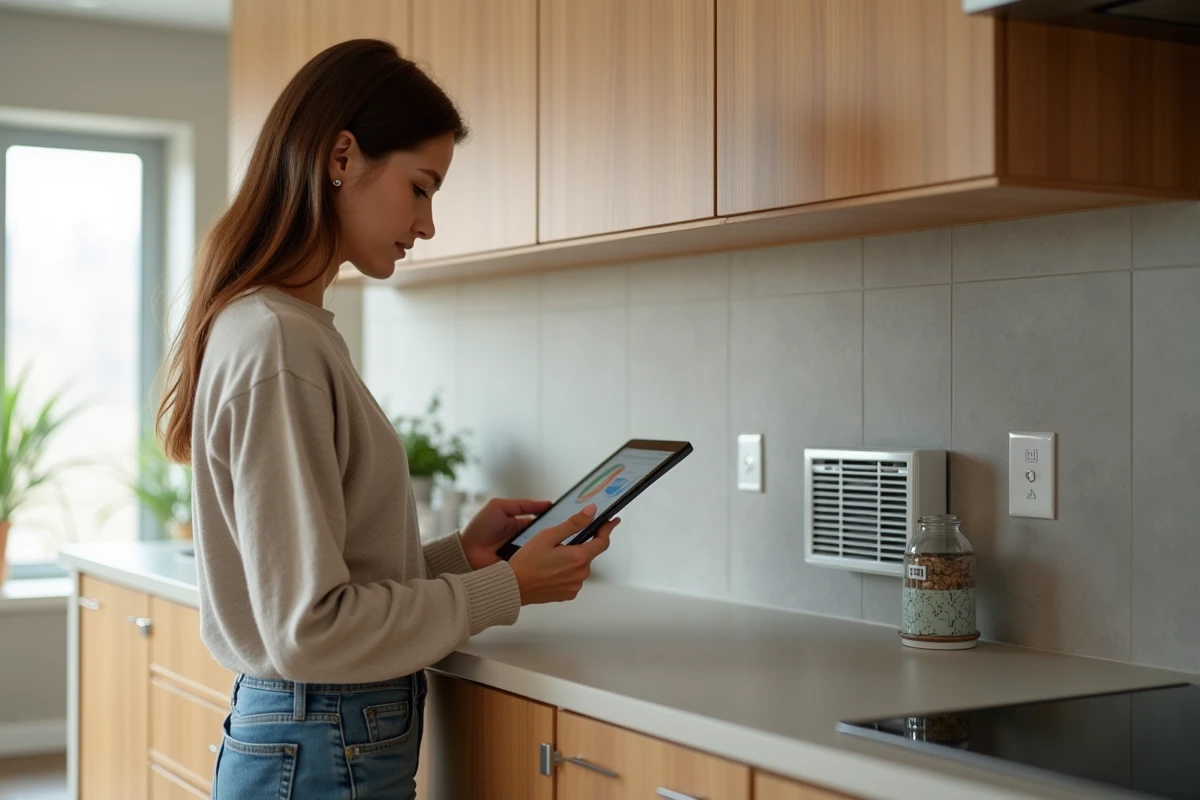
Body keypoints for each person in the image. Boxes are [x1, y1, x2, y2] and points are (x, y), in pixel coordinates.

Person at [155, 39, 618, 800]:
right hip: (323, 735)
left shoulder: (284, 329)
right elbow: (312, 629)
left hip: (316, 736)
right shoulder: (279, 342)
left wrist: (458, 558)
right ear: (342, 156)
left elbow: (332, 587)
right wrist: (505, 587)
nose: (428, 224)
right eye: (420, 187)